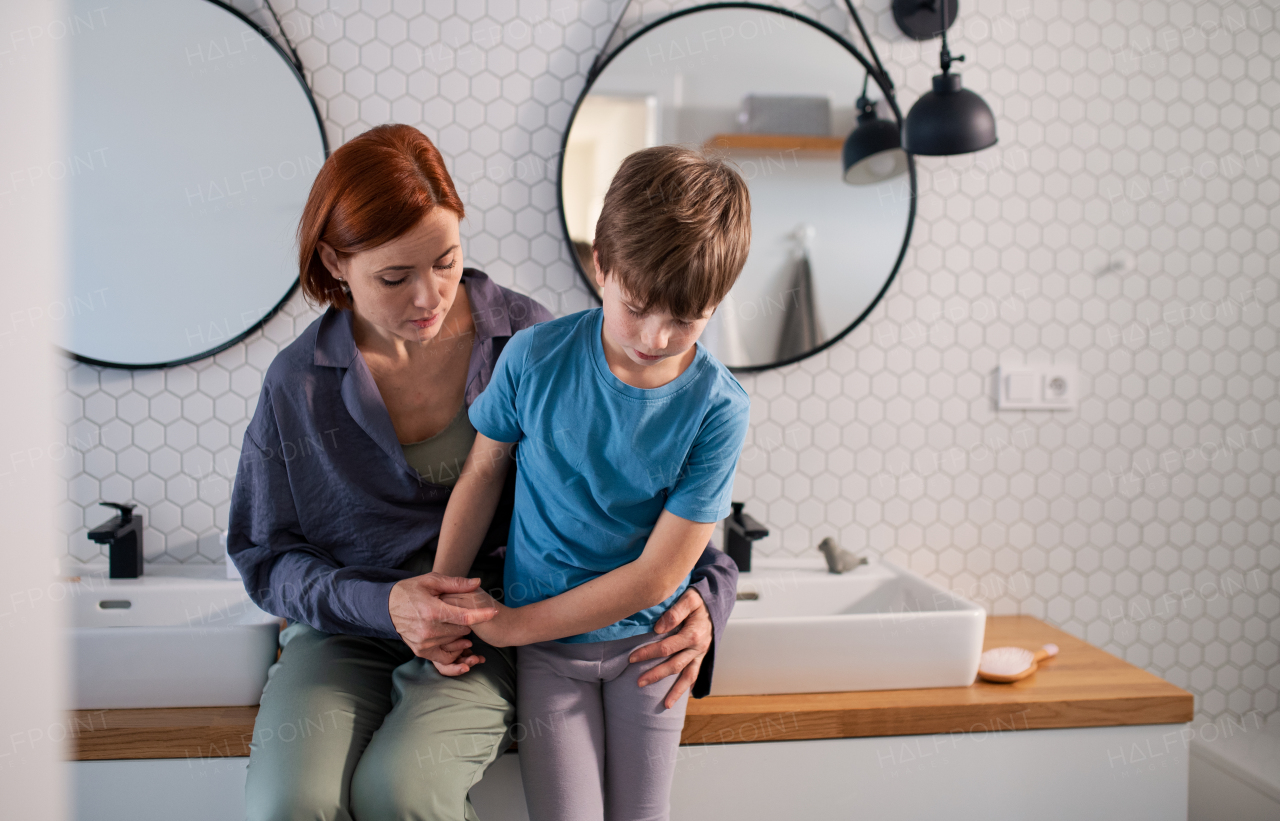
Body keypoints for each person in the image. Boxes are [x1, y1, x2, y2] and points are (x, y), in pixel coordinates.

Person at [226, 125, 741, 820]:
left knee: (403, 793)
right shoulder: (297, 384)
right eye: (393, 276)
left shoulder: (528, 340)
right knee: (288, 807)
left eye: (445, 260)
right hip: (345, 631)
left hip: (497, 616)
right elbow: (266, 558)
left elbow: (626, 513)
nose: (428, 296)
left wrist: (710, 597)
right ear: (335, 262)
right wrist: (387, 605)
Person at [431, 145, 753, 821]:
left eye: (686, 321)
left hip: (650, 651)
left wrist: (513, 626)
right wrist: (445, 599)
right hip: (550, 659)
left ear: (718, 303)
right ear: (601, 266)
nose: (656, 337)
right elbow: (483, 472)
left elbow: (657, 577)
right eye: (637, 307)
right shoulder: (534, 358)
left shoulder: (719, 408)